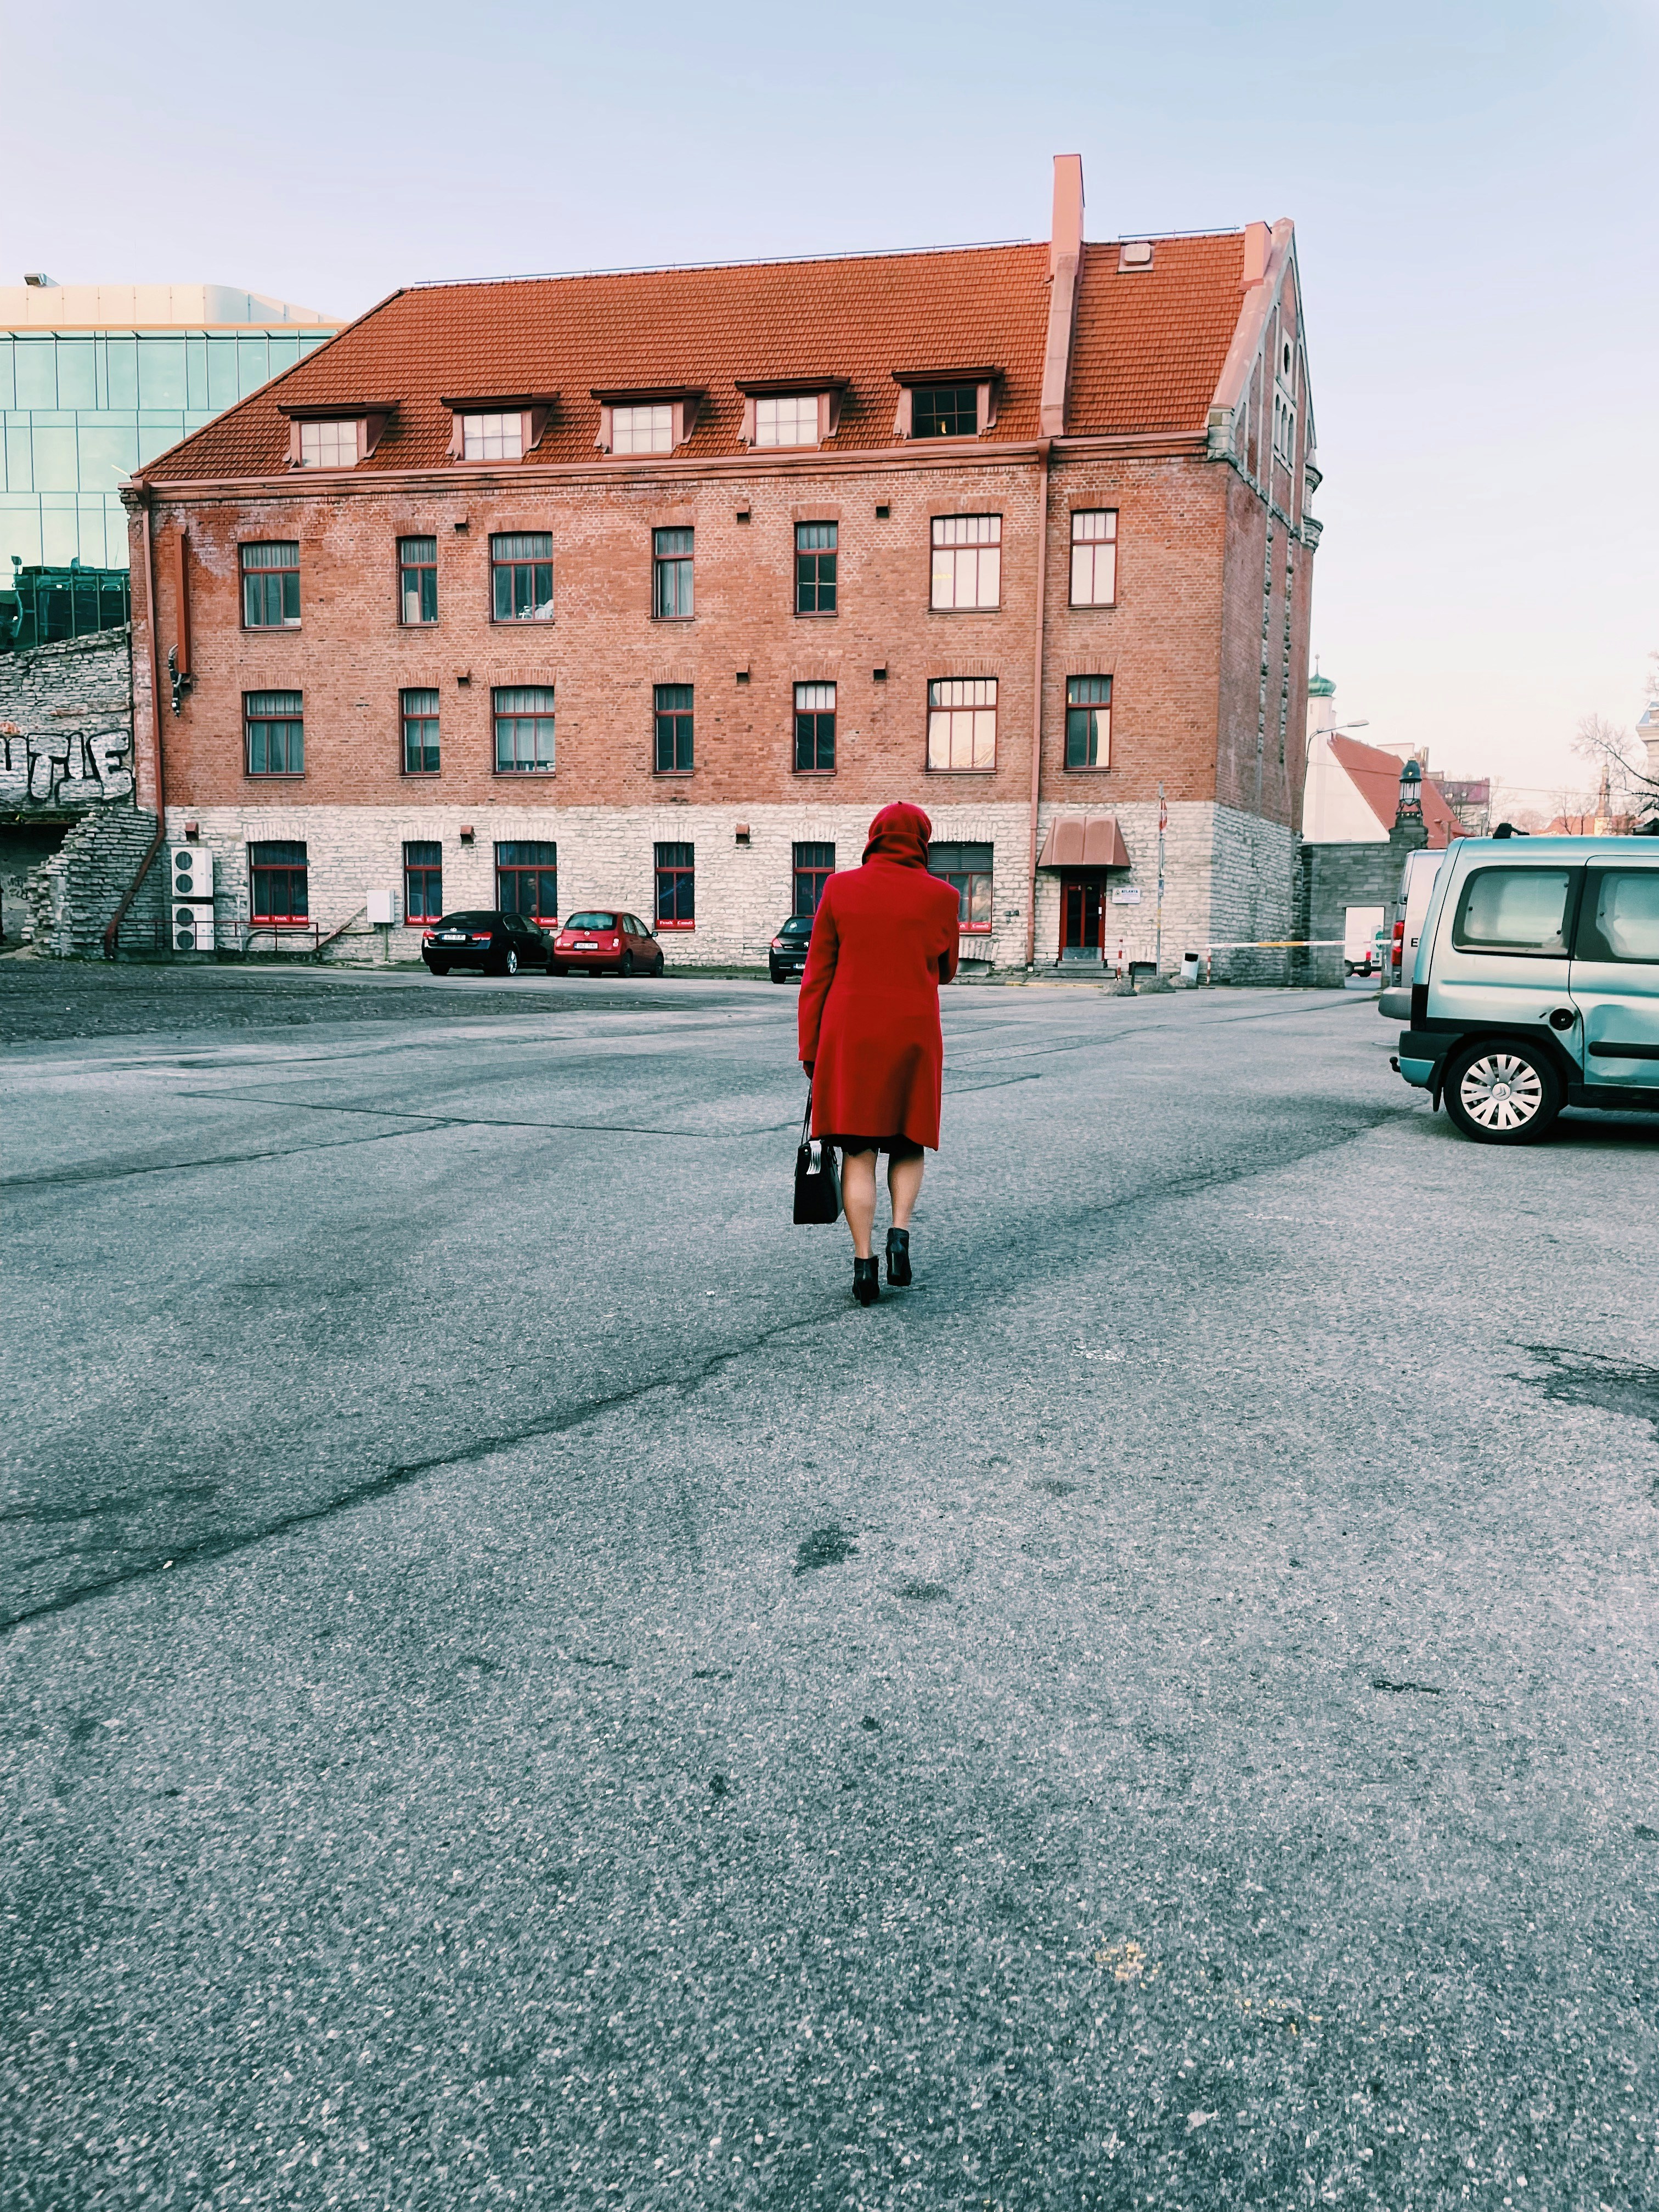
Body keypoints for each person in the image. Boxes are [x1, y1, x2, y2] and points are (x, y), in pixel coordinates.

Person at [797, 802, 961, 1305]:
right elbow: (947, 970)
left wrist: (811, 1050)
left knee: (859, 1152)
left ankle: (864, 1264)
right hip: (912, 1032)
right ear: (922, 841)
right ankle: (900, 1236)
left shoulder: (840, 888)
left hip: (851, 1036)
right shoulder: (943, 896)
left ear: (873, 837)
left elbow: (817, 975)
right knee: (909, 1142)